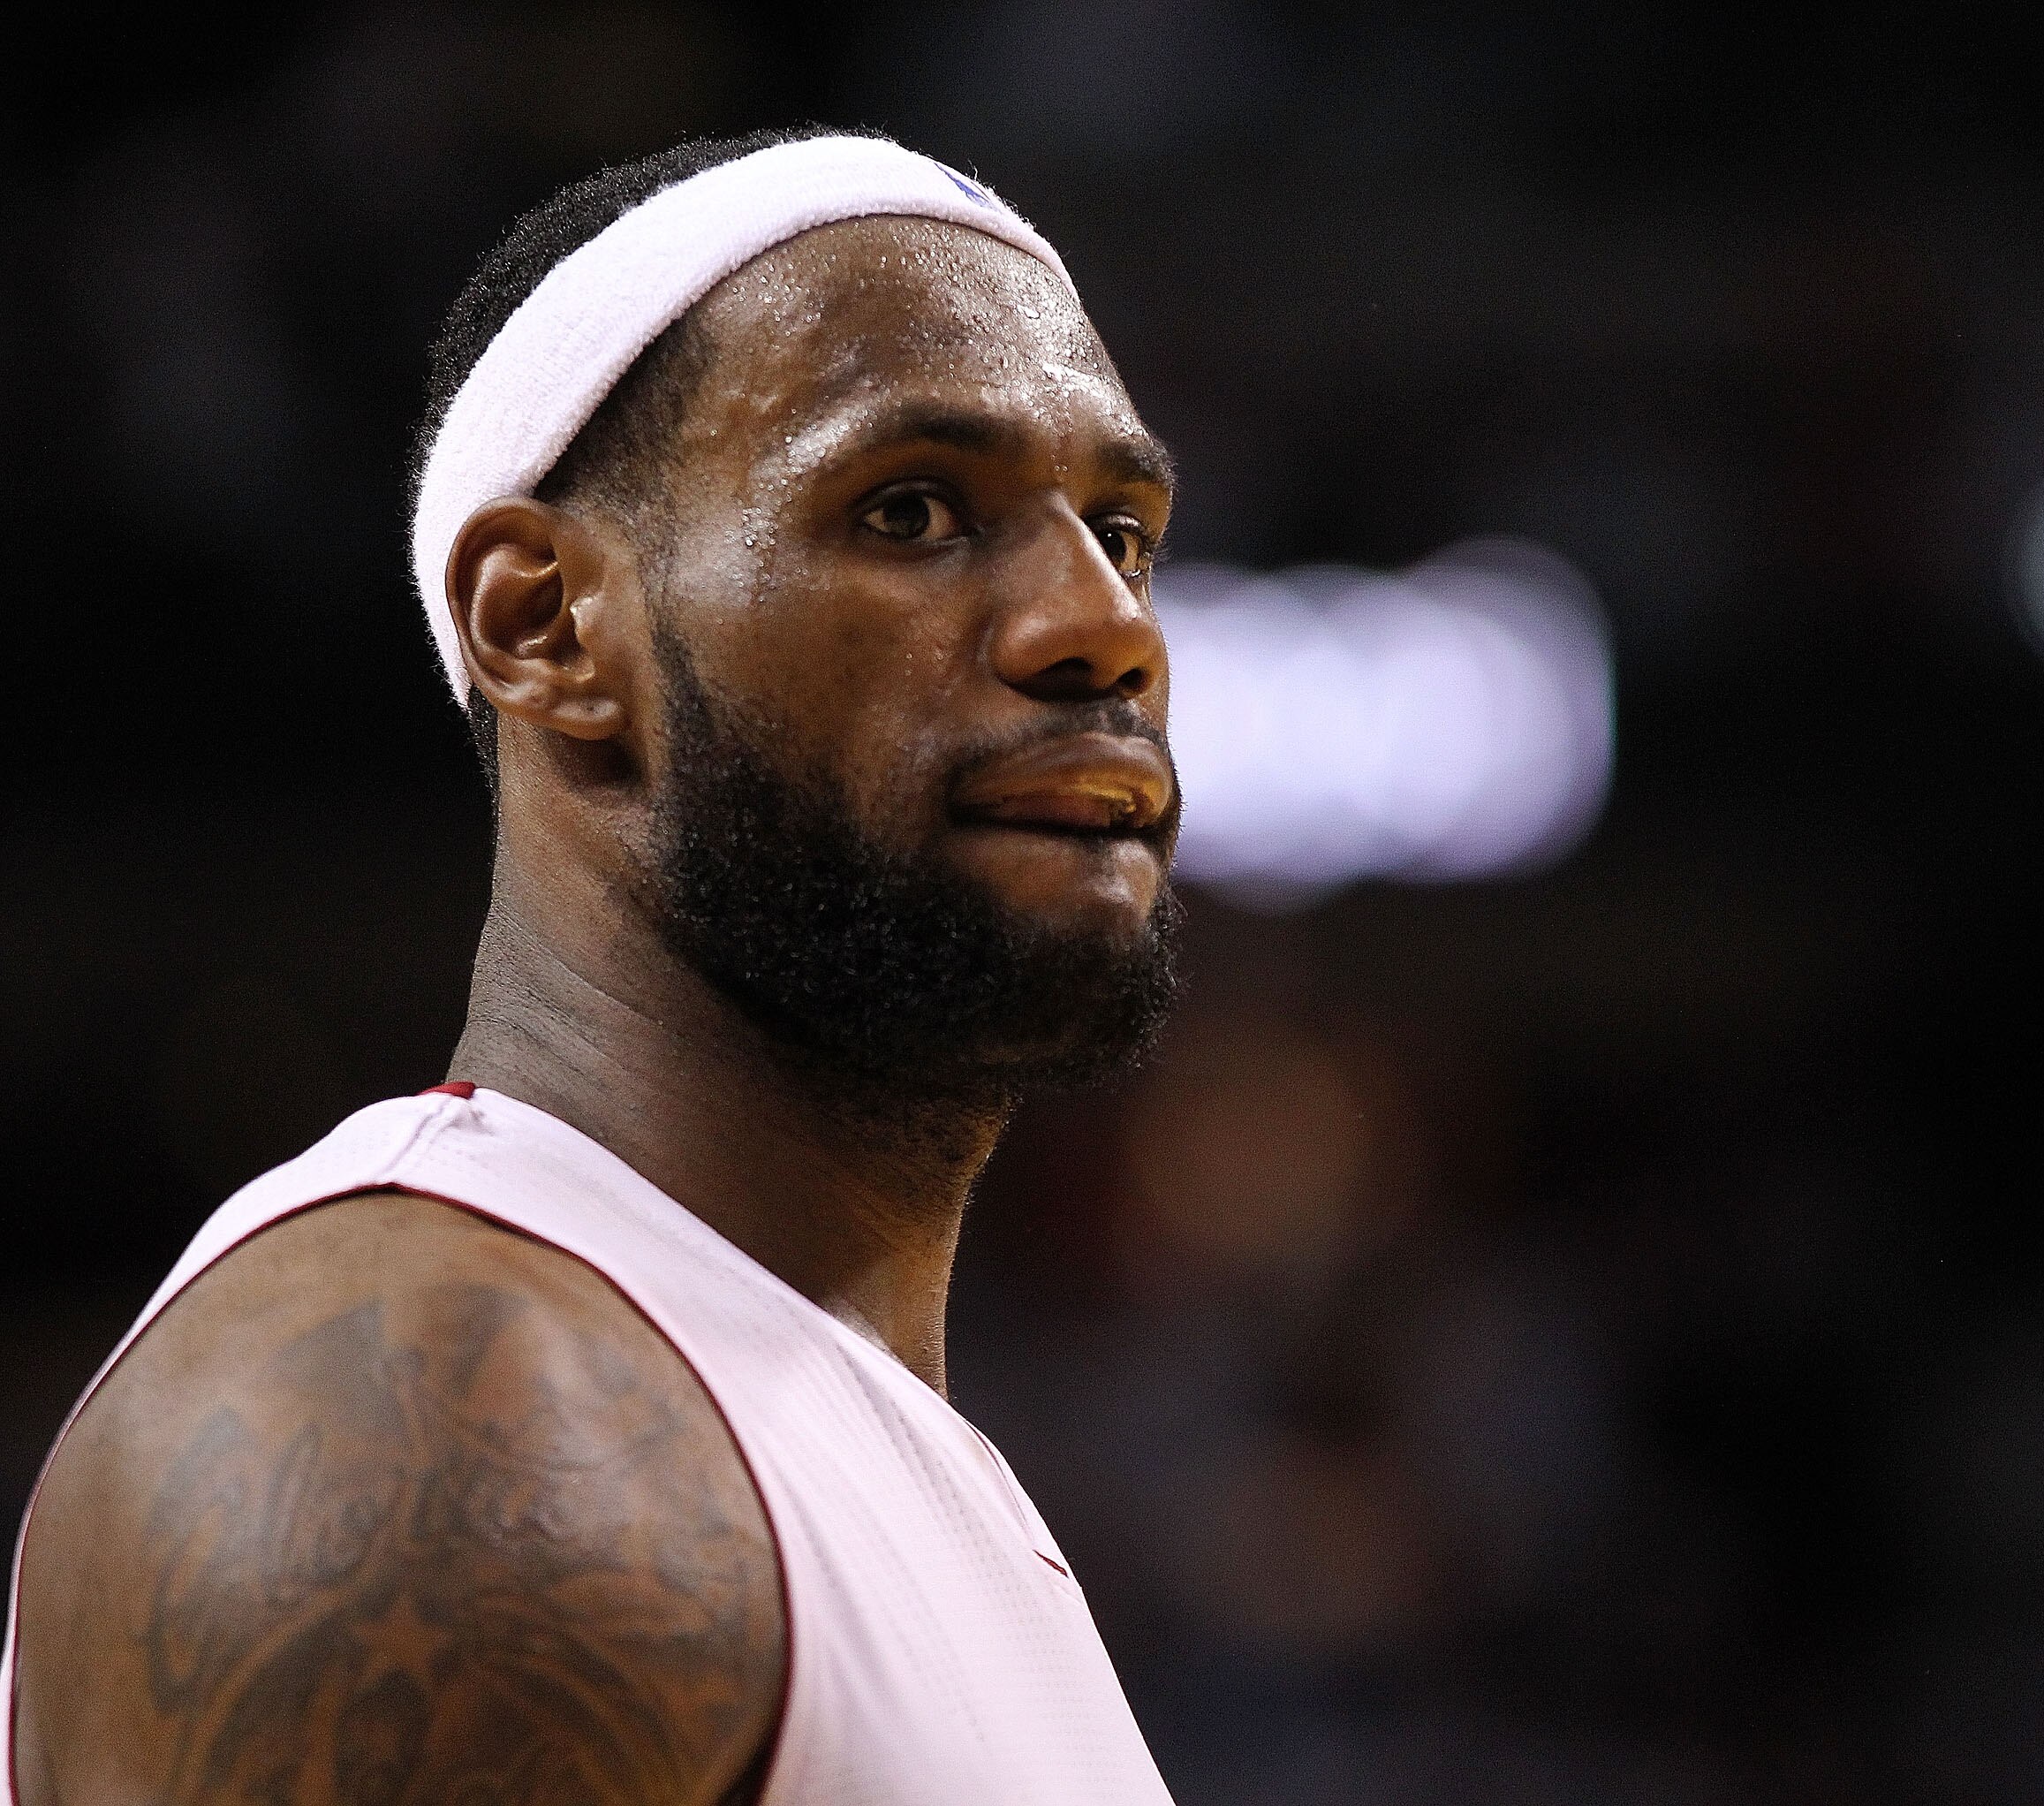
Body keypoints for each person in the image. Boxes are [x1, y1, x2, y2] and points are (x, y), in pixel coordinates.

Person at [4, 129, 1185, 1804]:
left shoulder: (780, 1410)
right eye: (912, 512)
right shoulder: (440, 1431)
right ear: (544, 626)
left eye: (1123, 531)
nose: (1103, 625)